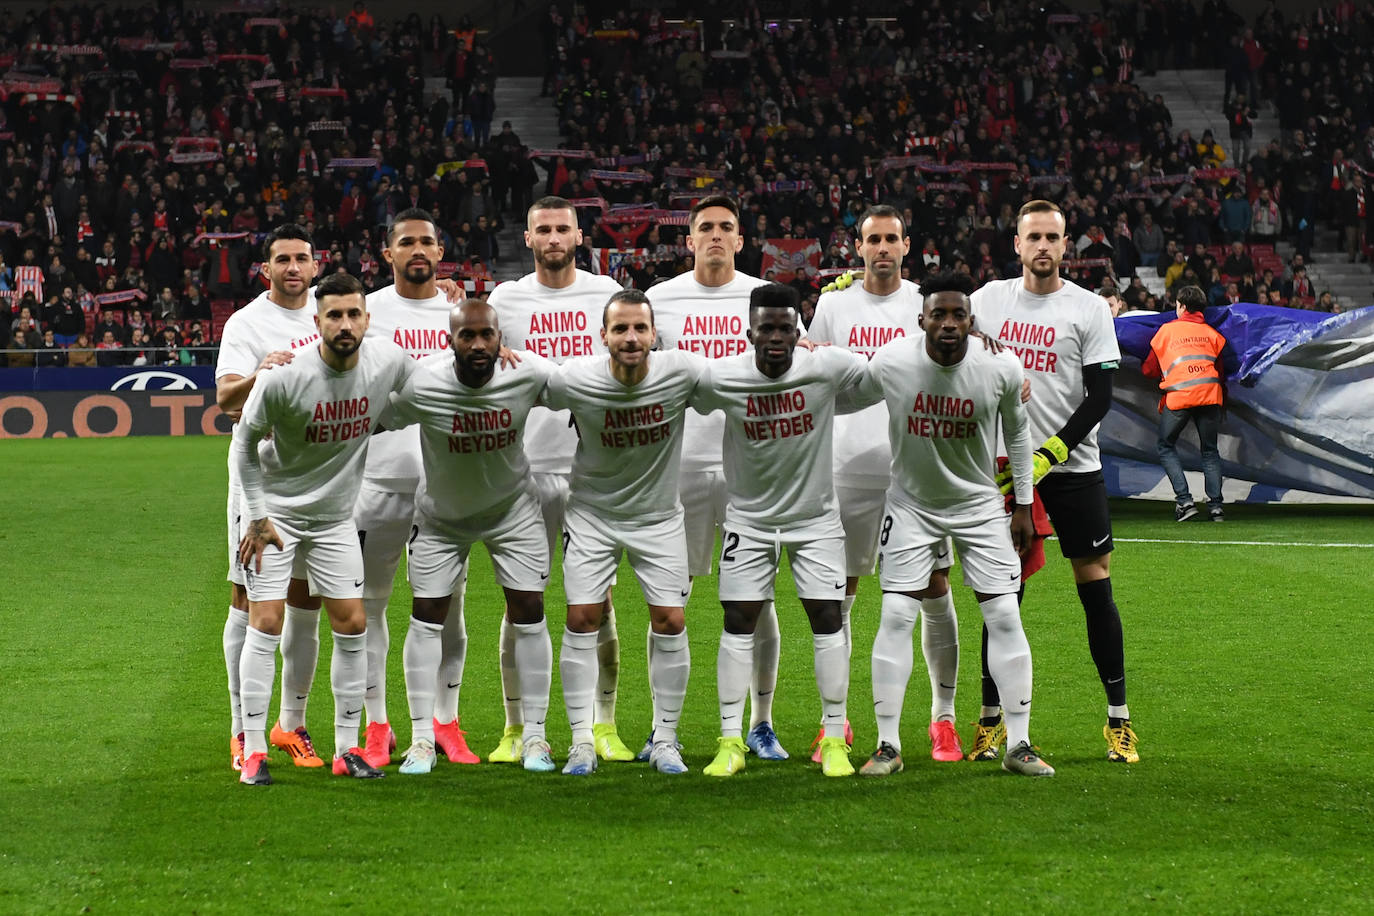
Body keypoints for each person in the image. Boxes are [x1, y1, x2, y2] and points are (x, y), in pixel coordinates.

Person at [847, 269, 1053, 777]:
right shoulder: (893, 360)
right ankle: (888, 745)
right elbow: (844, 394)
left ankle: (1019, 743)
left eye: (958, 314)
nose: (948, 322)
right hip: (912, 505)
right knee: (896, 616)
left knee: (1004, 615)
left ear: (971, 319)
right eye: (938, 313)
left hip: (979, 505)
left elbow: (1020, 437)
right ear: (922, 319)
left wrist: (1023, 507)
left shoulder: (1000, 367)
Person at [971, 199, 1139, 765]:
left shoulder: (1088, 308)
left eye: (1053, 237)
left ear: (1067, 246)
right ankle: (991, 722)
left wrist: (1052, 452)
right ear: (1016, 245)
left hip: (1072, 472)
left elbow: (1101, 397)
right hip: (1002, 471)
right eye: (1033, 237)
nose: (1043, 246)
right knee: (1001, 600)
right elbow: (931, 329)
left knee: (1096, 591)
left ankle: (1119, 721)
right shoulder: (987, 301)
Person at [232, 272, 413, 785]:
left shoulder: (386, 359)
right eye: (334, 315)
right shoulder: (285, 378)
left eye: (354, 314)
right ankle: (254, 751)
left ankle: (346, 749)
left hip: (335, 518)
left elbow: (431, 382)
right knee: (265, 623)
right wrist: (258, 515)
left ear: (367, 319)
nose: (345, 324)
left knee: (353, 623)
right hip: (279, 518)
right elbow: (244, 445)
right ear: (317, 323)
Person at [690, 284, 868, 778]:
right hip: (748, 521)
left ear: (798, 331)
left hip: (815, 522)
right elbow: (676, 388)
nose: (775, 337)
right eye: (766, 327)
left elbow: (886, 377)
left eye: (785, 328)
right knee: (738, 622)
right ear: (749, 331)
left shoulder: (826, 366)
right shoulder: (723, 375)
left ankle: (834, 738)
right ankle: (730, 740)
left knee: (828, 620)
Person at [810, 204, 965, 763]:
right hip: (844, 469)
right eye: (872, 239)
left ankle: (942, 719)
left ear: (906, 245)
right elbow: (812, 376)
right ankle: (838, 722)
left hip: (916, 471)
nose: (881, 248)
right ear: (858, 246)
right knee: (841, 597)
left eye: (890, 239)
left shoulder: (928, 305)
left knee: (934, 591)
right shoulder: (832, 304)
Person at [485, 197, 632, 764]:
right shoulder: (507, 299)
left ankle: (603, 724)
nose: (552, 237)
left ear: (579, 235)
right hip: (523, 471)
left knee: (601, 603)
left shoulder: (604, 295)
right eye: (542, 229)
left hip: (595, 474)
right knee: (520, 602)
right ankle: (516, 726)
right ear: (527, 238)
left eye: (561, 229)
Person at [383, 300, 558, 774]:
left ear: (501, 338)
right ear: (450, 339)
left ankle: (536, 737)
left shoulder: (528, 373)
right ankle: (422, 739)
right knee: (426, 617)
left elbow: (586, 391)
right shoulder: (423, 384)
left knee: (529, 611)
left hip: (513, 512)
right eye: (467, 336)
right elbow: (375, 417)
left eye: (487, 335)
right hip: (440, 520)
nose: (478, 344)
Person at [646, 194, 791, 761]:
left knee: (759, 602)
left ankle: (761, 722)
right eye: (703, 227)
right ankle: (663, 728)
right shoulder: (661, 299)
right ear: (688, 240)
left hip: (749, 470)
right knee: (666, 602)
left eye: (724, 227)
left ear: (740, 238)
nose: (713, 235)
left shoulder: (763, 299)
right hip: (675, 468)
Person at [542, 288, 706, 776]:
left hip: (658, 517)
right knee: (582, 618)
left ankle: (667, 739)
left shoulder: (683, 372)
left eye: (639, 328)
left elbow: (741, 378)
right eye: (621, 329)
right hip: (592, 515)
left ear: (655, 334)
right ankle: (580, 741)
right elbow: (524, 382)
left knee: (672, 621)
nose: (631, 338)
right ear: (603, 336)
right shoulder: (575, 379)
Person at [349, 208, 475, 769]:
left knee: (448, 610)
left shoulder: (462, 312)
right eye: (406, 242)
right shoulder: (368, 311)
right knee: (370, 608)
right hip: (376, 479)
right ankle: (378, 724)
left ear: (441, 251)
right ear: (387, 253)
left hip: (448, 482)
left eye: (427, 240)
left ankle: (445, 722)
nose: (417, 249)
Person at [214, 224, 326, 772]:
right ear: (266, 269)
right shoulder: (246, 323)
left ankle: (291, 724)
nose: (292, 268)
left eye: (301, 259)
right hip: (259, 484)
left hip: (321, 483)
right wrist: (258, 374)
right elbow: (224, 399)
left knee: (307, 603)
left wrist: (449, 292)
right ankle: (241, 730)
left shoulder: (330, 313)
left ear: (316, 265)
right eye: (282, 259)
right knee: (251, 604)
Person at [1142, 285, 1229, 522]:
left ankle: (1185, 502)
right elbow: (1220, 372)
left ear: (1181, 306)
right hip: (1210, 395)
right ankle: (1216, 507)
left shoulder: (1166, 331)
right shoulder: (1213, 334)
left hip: (1180, 396)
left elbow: (1149, 368)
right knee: (1209, 451)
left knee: (1165, 445)